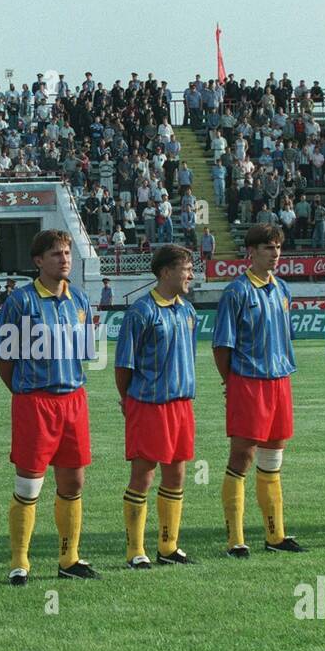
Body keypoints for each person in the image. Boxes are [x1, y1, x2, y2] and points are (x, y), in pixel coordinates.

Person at [0, 229, 97, 585]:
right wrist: (24, 392)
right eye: (56, 254)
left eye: (67, 253)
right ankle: (19, 562)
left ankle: (69, 558)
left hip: (73, 400)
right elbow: (4, 359)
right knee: (29, 486)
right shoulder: (20, 302)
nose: (64, 259)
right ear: (38, 262)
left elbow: (84, 356)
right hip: (35, 402)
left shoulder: (80, 301)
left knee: (73, 481)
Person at [212, 223, 305, 556]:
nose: (275, 253)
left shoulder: (282, 289)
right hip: (249, 382)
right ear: (251, 253)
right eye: (268, 247)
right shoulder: (236, 292)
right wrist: (231, 382)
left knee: (273, 457)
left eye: (278, 246)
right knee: (242, 456)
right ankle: (235, 540)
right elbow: (222, 345)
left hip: (280, 381)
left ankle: (275, 535)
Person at [115, 244, 198, 569]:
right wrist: (129, 400)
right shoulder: (141, 311)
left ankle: (168, 546)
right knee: (143, 476)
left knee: (176, 476)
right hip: (149, 404)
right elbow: (124, 365)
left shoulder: (187, 311)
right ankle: (136, 551)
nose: (191, 274)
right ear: (166, 272)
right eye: (186, 268)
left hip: (181, 405)